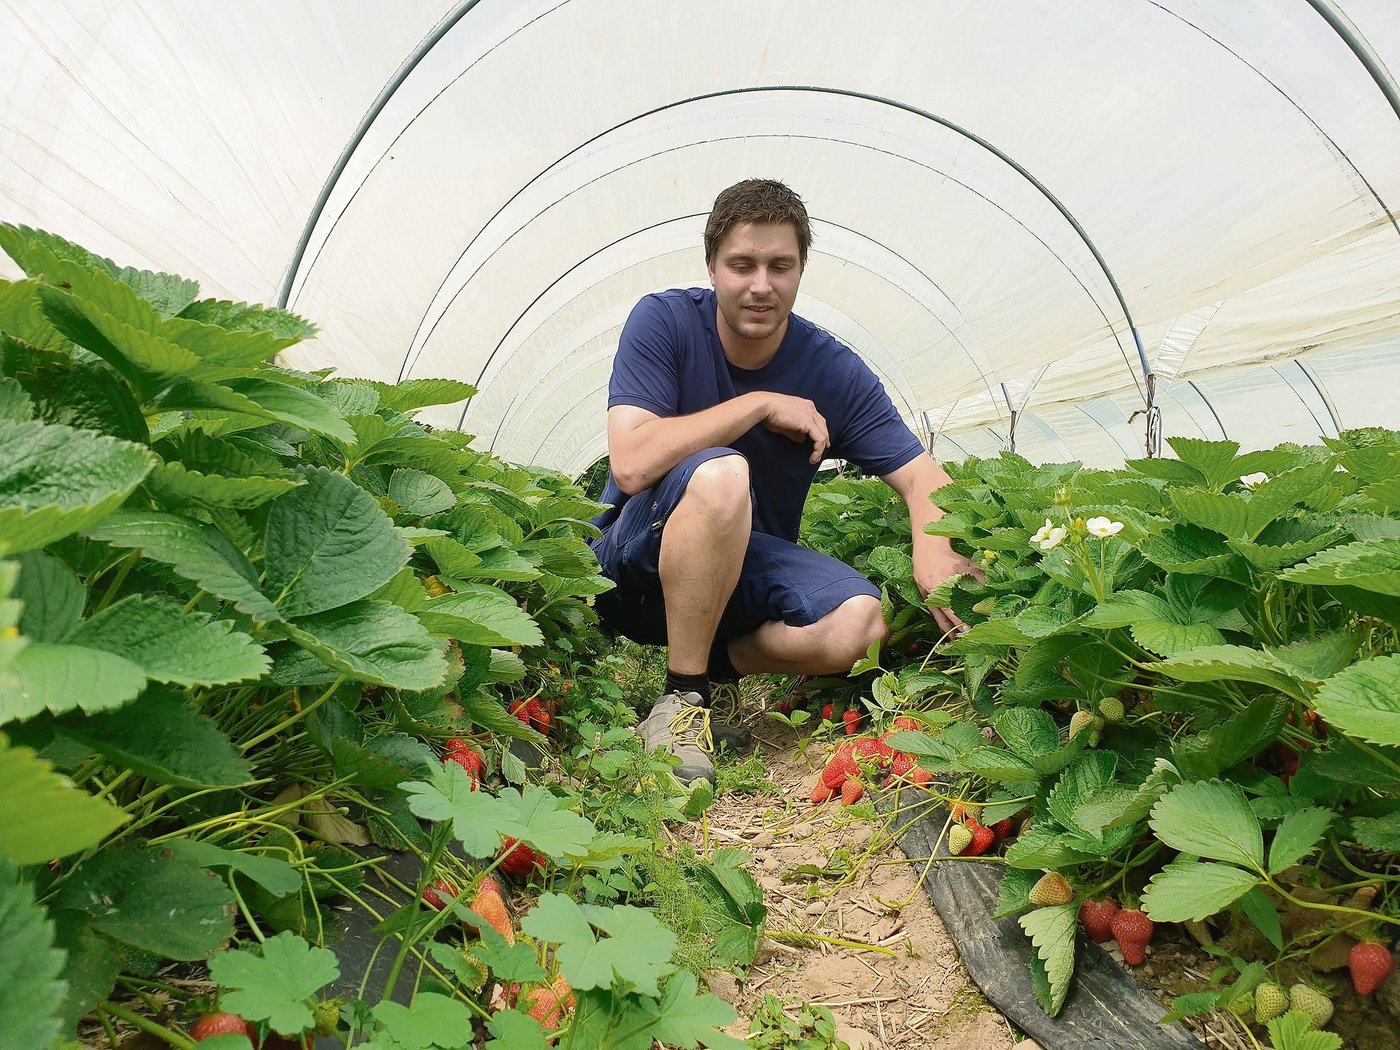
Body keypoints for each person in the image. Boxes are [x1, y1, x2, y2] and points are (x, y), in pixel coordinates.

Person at [589, 178, 978, 786]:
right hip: (630, 568)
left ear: (801, 270)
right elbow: (632, 463)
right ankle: (682, 701)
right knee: (722, 474)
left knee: (860, 625)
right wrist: (762, 404)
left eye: (780, 265)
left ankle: (711, 667)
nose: (761, 285)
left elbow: (923, 474)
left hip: (734, 580)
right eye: (742, 265)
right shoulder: (663, 321)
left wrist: (933, 548)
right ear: (712, 266)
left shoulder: (832, 369)